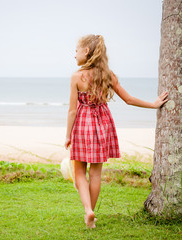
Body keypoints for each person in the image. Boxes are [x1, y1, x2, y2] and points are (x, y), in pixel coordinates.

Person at [64, 34, 168, 229]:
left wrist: (68, 135)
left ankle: (88, 211)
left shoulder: (77, 77)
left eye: (76, 50)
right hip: (103, 124)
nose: (74, 55)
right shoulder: (107, 75)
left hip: (82, 124)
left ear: (86, 51)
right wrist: (153, 104)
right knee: (95, 174)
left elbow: (71, 110)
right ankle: (91, 218)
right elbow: (128, 99)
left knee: (79, 172)